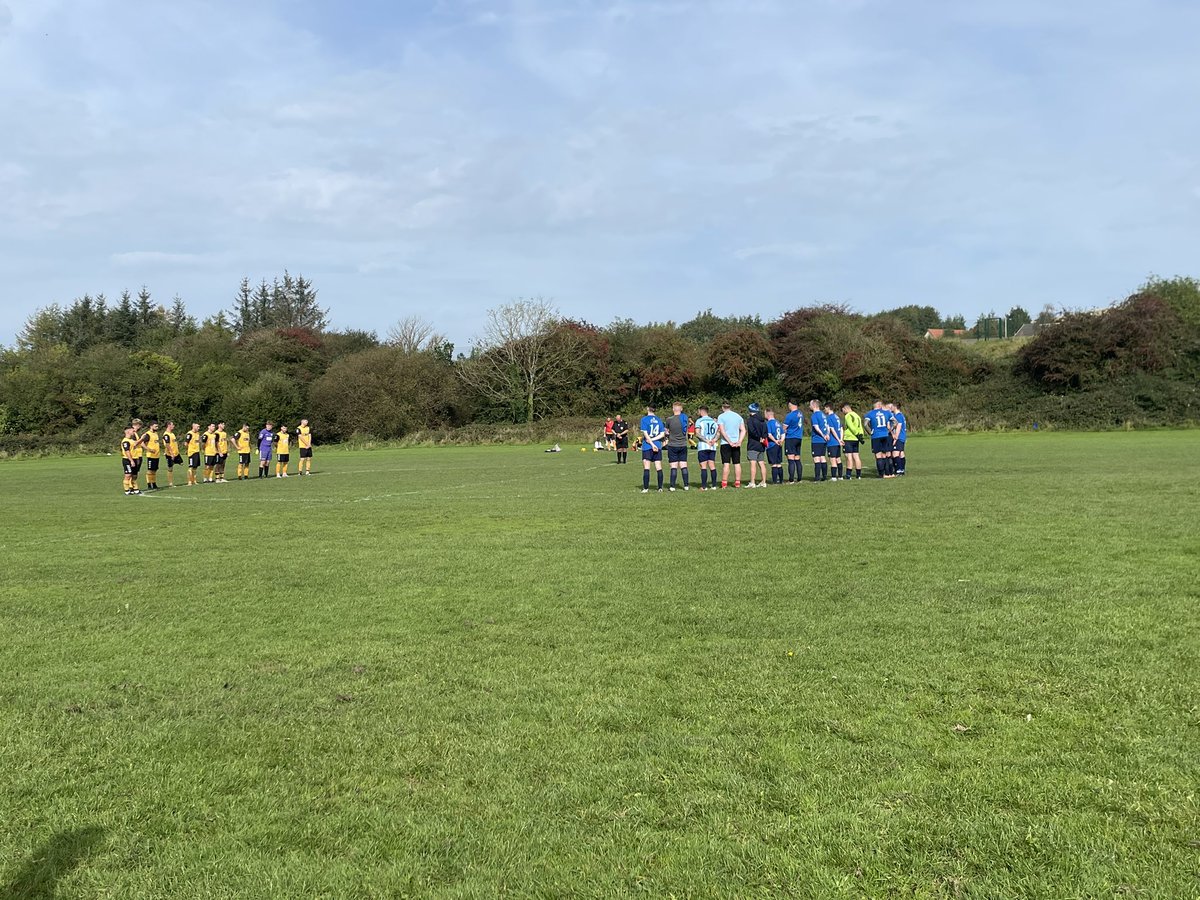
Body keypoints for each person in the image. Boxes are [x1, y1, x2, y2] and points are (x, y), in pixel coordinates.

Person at [716, 401, 745, 489]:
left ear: (722, 407)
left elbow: (722, 431)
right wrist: (739, 441)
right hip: (736, 443)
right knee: (737, 463)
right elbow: (743, 430)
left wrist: (729, 441)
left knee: (726, 463)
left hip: (726, 443)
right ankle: (737, 482)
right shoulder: (738, 416)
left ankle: (724, 483)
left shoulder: (721, 416)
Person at [663, 402, 690, 492]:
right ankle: (686, 485)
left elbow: (666, 432)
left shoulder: (669, 419)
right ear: (681, 409)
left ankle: (672, 486)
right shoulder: (685, 419)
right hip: (683, 444)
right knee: (683, 465)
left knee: (673, 466)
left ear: (673, 409)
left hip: (672, 445)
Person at [639, 406, 666, 493]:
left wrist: (651, 443)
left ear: (647, 409)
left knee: (647, 466)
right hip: (658, 445)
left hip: (647, 446)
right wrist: (654, 442)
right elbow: (662, 434)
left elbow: (646, 434)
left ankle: (646, 488)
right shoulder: (659, 420)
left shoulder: (644, 419)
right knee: (658, 466)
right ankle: (660, 488)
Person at [865, 401, 896, 478]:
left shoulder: (870, 413)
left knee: (878, 455)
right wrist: (890, 430)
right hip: (885, 435)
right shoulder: (887, 413)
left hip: (876, 436)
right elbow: (895, 422)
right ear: (879, 405)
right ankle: (888, 473)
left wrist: (870, 432)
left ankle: (881, 474)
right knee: (885, 455)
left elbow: (865, 424)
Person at [693, 406, 719, 490]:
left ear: (701, 411)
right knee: (712, 465)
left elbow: (697, 433)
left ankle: (704, 486)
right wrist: (714, 440)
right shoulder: (713, 421)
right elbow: (718, 433)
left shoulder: (699, 421)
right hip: (712, 446)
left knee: (703, 466)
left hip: (703, 446)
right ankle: (714, 485)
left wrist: (706, 440)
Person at [745, 403, 768, 488]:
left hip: (753, 444)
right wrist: (763, 438)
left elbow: (752, 431)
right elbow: (766, 431)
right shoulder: (763, 420)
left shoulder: (750, 420)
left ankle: (752, 482)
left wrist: (758, 438)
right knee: (761, 463)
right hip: (761, 444)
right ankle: (764, 482)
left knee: (753, 463)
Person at [841, 403, 865, 481]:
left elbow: (851, 426)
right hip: (856, 439)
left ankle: (848, 475)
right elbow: (860, 427)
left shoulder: (848, 416)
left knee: (849, 456)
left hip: (849, 438)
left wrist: (857, 434)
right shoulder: (857, 415)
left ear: (845, 408)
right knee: (856, 456)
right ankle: (858, 475)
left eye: (843, 410)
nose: (843, 412)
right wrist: (861, 435)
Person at [783, 400, 804, 484]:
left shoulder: (790, 415)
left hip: (791, 437)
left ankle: (791, 480)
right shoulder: (801, 414)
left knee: (790, 459)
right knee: (797, 458)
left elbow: (784, 428)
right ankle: (799, 479)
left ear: (791, 405)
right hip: (799, 437)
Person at [808, 400, 828, 482]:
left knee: (816, 458)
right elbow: (827, 426)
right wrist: (827, 435)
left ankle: (817, 477)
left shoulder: (814, 415)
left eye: (810, 405)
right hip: (824, 440)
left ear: (814, 405)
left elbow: (816, 427)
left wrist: (823, 435)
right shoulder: (823, 415)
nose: (809, 407)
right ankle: (824, 476)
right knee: (822, 458)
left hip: (817, 440)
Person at [823, 404, 843, 481]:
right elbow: (841, 428)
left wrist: (838, 439)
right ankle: (840, 476)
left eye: (825, 408)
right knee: (838, 459)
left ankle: (834, 477)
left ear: (828, 408)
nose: (824, 410)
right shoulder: (837, 417)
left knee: (832, 459)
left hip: (832, 442)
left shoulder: (829, 418)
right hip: (838, 442)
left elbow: (832, 429)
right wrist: (841, 439)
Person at [765, 408, 785, 484]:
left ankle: (774, 481)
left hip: (772, 445)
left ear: (768, 414)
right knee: (779, 463)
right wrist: (781, 441)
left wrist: (775, 441)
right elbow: (783, 434)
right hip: (779, 445)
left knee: (773, 464)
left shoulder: (769, 423)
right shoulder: (778, 423)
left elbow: (769, 435)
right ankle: (781, 481)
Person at [889, 403, 908, 475]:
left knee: (895, 453)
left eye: (892, 406)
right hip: (902, 436)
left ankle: (898, 470)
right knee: (901, 453)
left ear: (895, 407)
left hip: (899, 436)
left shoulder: (898, 416)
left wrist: (895, 438)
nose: (891, 408)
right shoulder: (900, 415)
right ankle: (902, 469)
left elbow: (898, 427)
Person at [128, 418, 146, 493]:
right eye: (139, 425)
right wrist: (142, 438)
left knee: (135, 472)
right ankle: (131, 487)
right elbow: (134, 443)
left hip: (138, 454)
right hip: (135, 455)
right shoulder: (132, 433)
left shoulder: (136, 433)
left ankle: (133, 487)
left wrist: (147, 448)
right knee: (133, 473)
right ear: (136, 425)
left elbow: (139, 443)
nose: (140, 427)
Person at [120, 426, 140, 495]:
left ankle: (135, 489)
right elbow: (127, 451)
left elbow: (137, 444)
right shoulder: (125, 441)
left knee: (134, 475)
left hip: (134, 459)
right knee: (128, 475)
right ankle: (127, 490)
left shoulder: (131, 440)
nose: (134, 432)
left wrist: (136, 459)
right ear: (128, 431)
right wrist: (131, 460)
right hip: (127, 460)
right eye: (132, 431)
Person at [143, 421, 162, 491]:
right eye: (155, 426)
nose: (157, 427)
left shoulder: (156, 434)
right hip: (150, 455)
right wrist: (149, 449)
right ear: (151, 426)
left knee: (154, 470)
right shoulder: (148, 434)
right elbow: (142, 443)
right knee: (150, 470)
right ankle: (149, 484)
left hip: (156, 455)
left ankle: (154, 483)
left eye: (157, 426)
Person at [161, 421, 181, 488]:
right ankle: (170, 483)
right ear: (169, 425)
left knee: (181, 463)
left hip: (176, 453)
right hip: (170, 454)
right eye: (172, 424)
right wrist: (171, 453)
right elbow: (167, 444)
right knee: (170, 468)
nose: (174, 426)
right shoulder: (166, 435)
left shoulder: (172, 434)